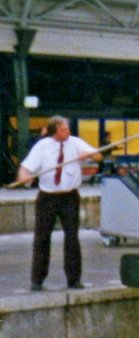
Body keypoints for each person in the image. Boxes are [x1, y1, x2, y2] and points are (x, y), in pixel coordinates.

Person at [15, 116, 102, 291]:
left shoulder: (76, 143)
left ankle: (73, 279)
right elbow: (25, 167)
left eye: (68, 129)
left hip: (69, 197)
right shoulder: (42, 147)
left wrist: (91, 154)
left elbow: (99, 156)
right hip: (47, 197)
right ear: (54, 131)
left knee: (72, 237)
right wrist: (23, 176)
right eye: (64, 130)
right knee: (42, 238)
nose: (68, 132)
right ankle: (37, 280)